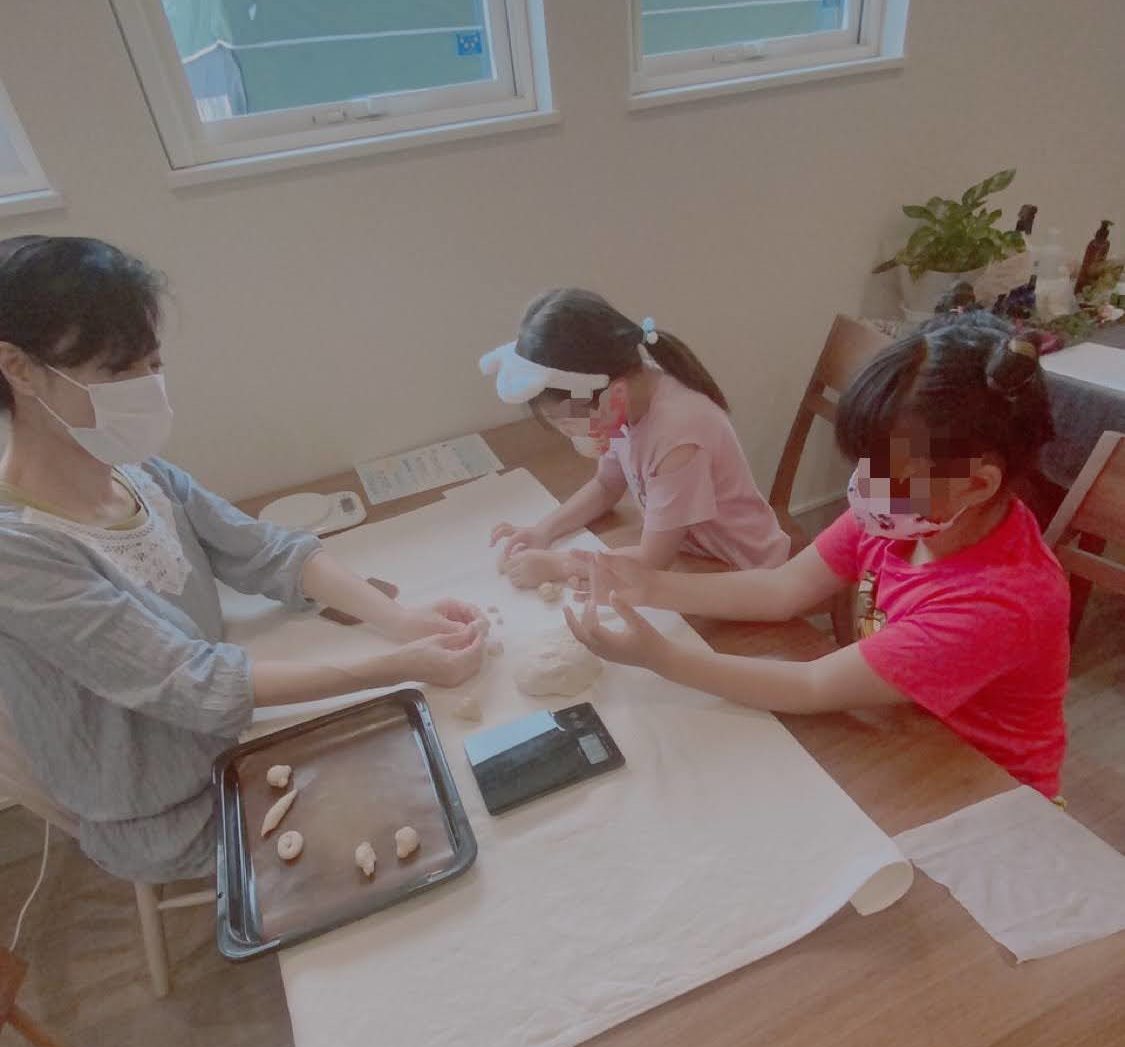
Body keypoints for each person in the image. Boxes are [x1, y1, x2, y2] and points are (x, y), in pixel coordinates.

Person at [0, 235, 486, 882]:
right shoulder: (18, 553)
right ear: (19, 368)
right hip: (174, 802)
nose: (145, 389)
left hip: (238, 729)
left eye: (152, 364)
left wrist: (398, 621)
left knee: (453, 754)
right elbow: (192, 681)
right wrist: (397, 666)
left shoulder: (135, 472)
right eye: (117, 372)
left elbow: (266, 550)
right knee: (432, 808)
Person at [566, 312, 1070, 798]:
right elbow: (783, 588)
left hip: (983, 787)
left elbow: (812, 685)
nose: (864, 486)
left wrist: (663, 658)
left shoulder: (1000, 603)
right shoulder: (900, 511)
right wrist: (652, 585)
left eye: (889, 476)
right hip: (904, 731)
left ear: (977, 485)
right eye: (865, 465)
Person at [480, 289, 788, 588]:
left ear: (613, 395)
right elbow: (607, 485)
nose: (568, 435)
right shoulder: (621, 400)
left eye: (568, 424)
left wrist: (559, 565)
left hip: (745, 575)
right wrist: (543, 530)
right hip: (689, 555)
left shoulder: (677, 438)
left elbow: (653, 560)